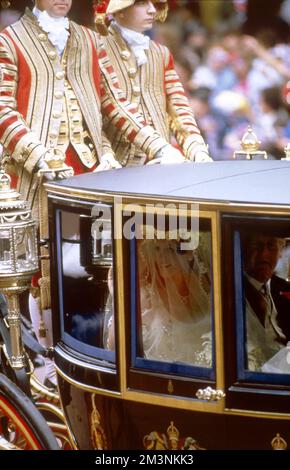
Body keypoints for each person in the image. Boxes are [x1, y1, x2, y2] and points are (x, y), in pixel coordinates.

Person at [0, 0, 183, 388]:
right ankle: (46, 359)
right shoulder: (9, 41)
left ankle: (102, 351)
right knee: (41, 269)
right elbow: (4, 111)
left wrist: (159, 146)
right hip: (35, 175)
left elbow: (116, 105)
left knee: (105, 264)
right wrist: (39, 157)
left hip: (94, 168)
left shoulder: (88, 39)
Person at [95, 0, 212, 166]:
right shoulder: (97, 47)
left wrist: (197, 150)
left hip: (161, 163)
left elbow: (178, 107)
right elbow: (112, 105)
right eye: (142, 3)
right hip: (115, 163)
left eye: (154, 3)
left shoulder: (160, 52)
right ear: (119, 9)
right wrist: (159, 147)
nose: (152, 10)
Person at [136, 232, 212, 367]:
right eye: (158, 249)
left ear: (188, 255)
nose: (162, 258)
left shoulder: (205, 298)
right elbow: (114, 347)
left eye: (170, 249)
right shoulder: (145, 295)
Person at [242, 232, 290, 371]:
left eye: (271, 246)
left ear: (280, 252)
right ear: (244, 250)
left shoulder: (285, 289)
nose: (264, 255)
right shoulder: (231, 290)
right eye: (256, 246)